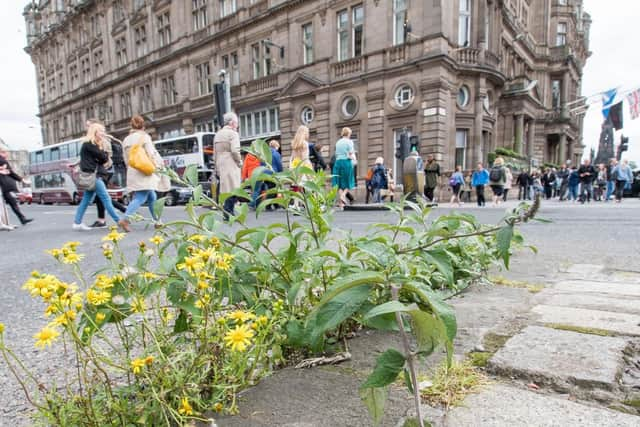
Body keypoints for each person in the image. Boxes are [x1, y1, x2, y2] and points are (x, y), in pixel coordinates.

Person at [72, 123, 122, 231]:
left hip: (92, 175)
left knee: (86, 200)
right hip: (94, 176)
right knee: (105, 198)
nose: (103, 134)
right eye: (101, 131)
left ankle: (77, 222)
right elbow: (104, 157)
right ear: (95, 132)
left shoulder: (89, 144)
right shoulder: (90, 144)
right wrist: (101, 154)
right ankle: (119, 221)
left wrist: (100, 155)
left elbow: (102, 158)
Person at [118, 115, 163, 232]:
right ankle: (125, 219)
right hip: (145, 170)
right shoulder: (144, 137)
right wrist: (158, 166)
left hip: (133, 170)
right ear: (143, 126)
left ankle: (157, 221)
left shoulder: (126, 139)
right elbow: (151, 153)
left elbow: (125, 159)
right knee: (141, 197)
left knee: (151, 195)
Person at [214, 112, 242, 221]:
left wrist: (216, 167)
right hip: (231, 162)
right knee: (234, 188)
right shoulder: (233, 134)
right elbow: (235, 150)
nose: (237, 125)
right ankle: (228, 211)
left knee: (226, 189)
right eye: (236, 123)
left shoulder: (218, 134)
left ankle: (227, 211)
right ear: (232, 123)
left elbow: (215, 153)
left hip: (221, 163)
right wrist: (239, 161)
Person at [0, 149, 33, 225]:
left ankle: (21, 219)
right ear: (2, 153)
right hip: (4, 186)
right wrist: (21, 179)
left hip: (5, 186)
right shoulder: (2, 161)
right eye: (5, 153)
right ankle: (20, 219)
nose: (7, 155)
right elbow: (11, 173)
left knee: (12, 203)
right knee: (11, 203)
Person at [332, 127, 356, 208]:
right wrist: (352, 158)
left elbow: (336, 154)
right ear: (349, 133)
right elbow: (350, 153)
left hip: (338, 162)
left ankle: (342, 202)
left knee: (338, 182)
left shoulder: (338, 142)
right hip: (346, 162)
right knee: (349, 180)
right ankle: (343, 195)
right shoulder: (349, 142)